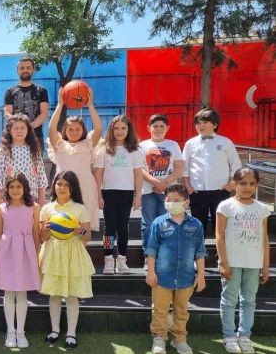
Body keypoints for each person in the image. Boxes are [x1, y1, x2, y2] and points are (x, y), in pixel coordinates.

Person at [145, 183, 206, 354]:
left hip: (186, 277)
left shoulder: (196, 225)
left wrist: (201, 275)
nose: (172, 203)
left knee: (182, 310)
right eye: (169, 200)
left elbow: (200, 252)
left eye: (177, 200)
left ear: (186, 202)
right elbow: (151, 250)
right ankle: (159, 338)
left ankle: (180, 339)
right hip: (162, 277)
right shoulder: (158, 223)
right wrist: (151, 272)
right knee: (159, 309)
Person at [216, 168, 271, 354]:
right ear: (234, 184)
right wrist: (223, 262)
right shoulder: (225, 206)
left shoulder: (262, 208)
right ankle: (229, 336)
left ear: (257, 185)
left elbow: (264, 239)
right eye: (243, 183)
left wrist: (265, 265)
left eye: (252, 183)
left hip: (254, 263)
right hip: (232, 262)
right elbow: (220, 236)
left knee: (249, 300)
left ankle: (244, 336)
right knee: (229, 300)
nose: (247, 187)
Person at [39, 171, 94, 350]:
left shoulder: (80, 208)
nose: (62, 188)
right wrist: (46, 229)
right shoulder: (47, 209)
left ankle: (71, 333)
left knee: (71, 295)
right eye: (59, 184)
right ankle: (55, 330)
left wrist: (80, 230)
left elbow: (87, 237)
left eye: (67, 185)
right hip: (53, 254)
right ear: (54, 185)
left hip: (73, 254)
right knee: (54, 295)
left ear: (73, 188)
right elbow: (42, 237)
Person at [0, 173, 41, 349]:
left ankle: (21, 332)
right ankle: (10, 331)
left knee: (22, 293)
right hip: (7, 252)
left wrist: (37, 258)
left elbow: (36, 234)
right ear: (6, 189)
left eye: (18, 186)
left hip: (26, 252)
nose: (15, 190)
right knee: (9, 293)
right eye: (11, 187)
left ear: (25, 188)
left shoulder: (34, 207)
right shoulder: (0, 209)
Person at [94, 115, 144, 274]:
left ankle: (122, 260)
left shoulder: (135, 150)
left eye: (123, 128)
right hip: (108, 192)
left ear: (129, 130)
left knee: (123, 228)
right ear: (111, 130)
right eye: (116, 128)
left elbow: (138, 174)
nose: (119, 131)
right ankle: (108, 259)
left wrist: (138, 195)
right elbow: (98, 174)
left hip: (126, 193)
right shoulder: (103, 149)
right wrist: (98, 195)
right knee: (109, 228)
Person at [47, 87, 102, 231]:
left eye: (78, 129)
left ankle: (82, 244)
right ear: (65, 130)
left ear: (83, 130)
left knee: (83, 227)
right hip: (62, 186)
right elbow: (51, 129)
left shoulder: (88, 144)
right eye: (70, 129)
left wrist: (90, 105)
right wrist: (60, 105)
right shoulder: (59, 145)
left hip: (85, 186)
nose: (74, 132)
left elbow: (98, 128)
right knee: (62, 223)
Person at [182, 108, 242, 236]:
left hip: (220, 190)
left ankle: (221, 249)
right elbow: (184, 166)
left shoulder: (225, 142)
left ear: (214, 124)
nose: (201, 126)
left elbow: (236, 165)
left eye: (205, 122)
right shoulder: (190, 143)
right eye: (198, 123)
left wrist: (231, 185)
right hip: (197, 191)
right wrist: (187, 186)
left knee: (221, 226)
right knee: (198, 226)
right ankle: (199, 249)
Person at [139, 114, 185, 268]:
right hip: (147, 191)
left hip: (168, 192)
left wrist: (164, 184)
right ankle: (149, 256)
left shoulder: (173, 145)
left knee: (167, 223)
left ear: (167, 128)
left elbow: (179, 167)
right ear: (149, 128)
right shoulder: (142, 146)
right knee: (148, 224)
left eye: (161, 126)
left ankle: (165, 256)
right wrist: (155, 182)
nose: (158, 129)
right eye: (155, 126)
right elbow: (139, 168)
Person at [0, 114, 48, 206]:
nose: (19, 131)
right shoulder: (3, 151)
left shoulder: (34, 150)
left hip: (31, 198)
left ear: (28, 130)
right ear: (9, 130)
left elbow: (41, 177)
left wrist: (41, 202)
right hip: (9, 199)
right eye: (16, 128)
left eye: (23, 128)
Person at [3, 57, 49, 149]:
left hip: (36, 136)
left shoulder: (42, 91)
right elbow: (7, 113)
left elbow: (44, 114)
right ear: (17, 70)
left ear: (33, 70)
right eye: (22, 68)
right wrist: (19, 128)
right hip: (15, 137)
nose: (25, 70)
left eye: (28, 67)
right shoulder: (10, 91)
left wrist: (27, 127)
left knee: (36, 159)